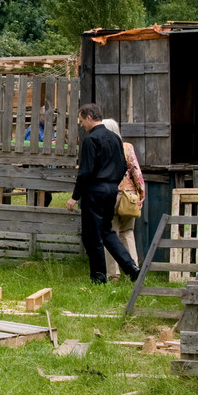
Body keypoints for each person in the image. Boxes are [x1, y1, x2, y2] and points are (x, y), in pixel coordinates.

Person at [65, 104, 141, 284]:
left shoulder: (91, 140)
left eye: (82, 120)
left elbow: (85, 172)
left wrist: (75, 196)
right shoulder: (115, 138)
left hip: (94, 191)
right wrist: (112, 183)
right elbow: (123, 166)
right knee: (107, 231)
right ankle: (131, 266)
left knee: (92, 236)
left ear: (89, 117)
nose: (81, 124)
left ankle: (98, 277)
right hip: (112, 191)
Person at [101, 118, 144, 282]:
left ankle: (113, 274)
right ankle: (134, 270)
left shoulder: (103, 147)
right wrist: (141, 194)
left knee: (110, 233)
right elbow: (136, 173)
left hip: (111, 194)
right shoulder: (127, 147)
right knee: (128, 232)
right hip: (130, 197)